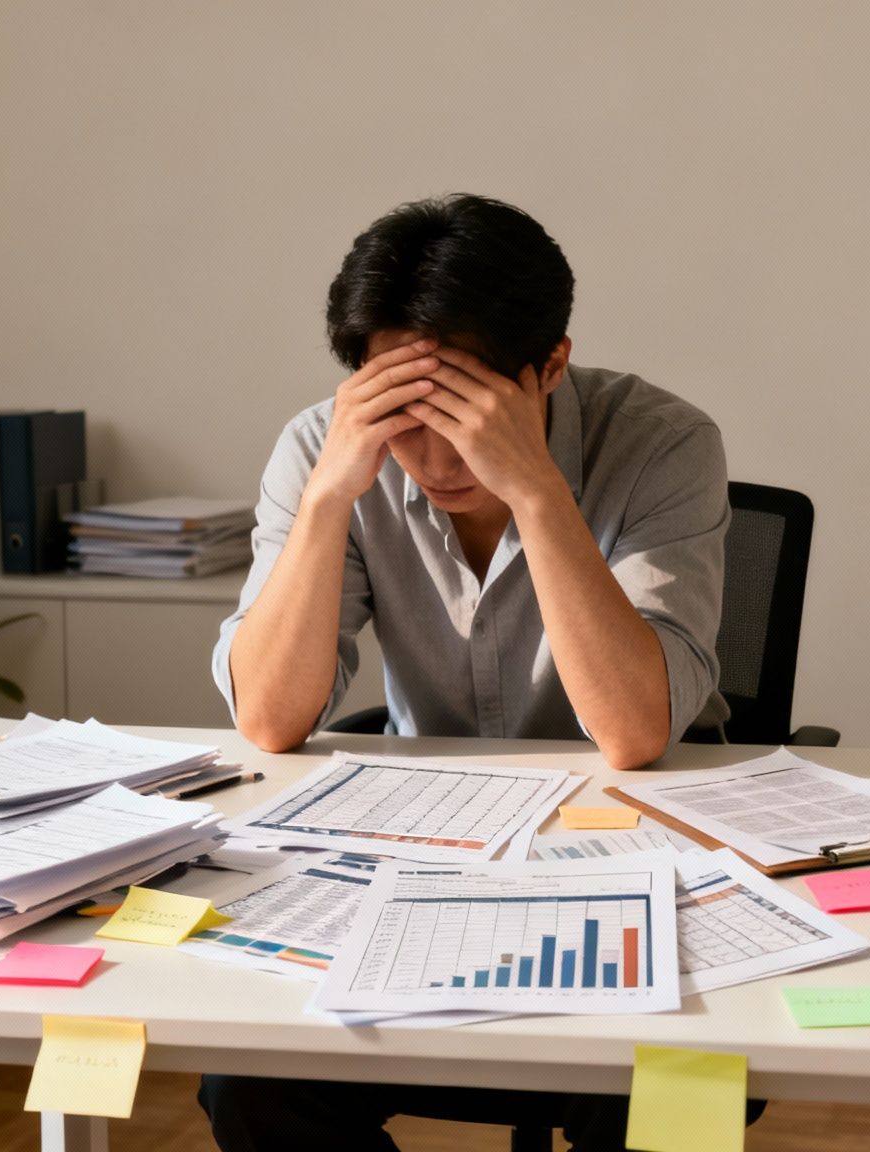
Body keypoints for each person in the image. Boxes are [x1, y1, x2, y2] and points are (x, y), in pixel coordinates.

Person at [201, 194, 747, 1151]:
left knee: (678, 1100)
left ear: (551, 365)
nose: (433, 455)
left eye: (466, 412)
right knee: (249, 1079)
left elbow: (632, 733)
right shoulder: (322, 451)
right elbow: (271, 722)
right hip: (426, 855)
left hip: (640, 854)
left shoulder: (663, 442)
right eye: (402, 414)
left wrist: (533, 486)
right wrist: (331, 497)